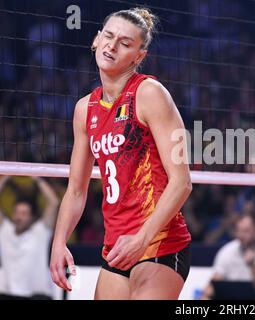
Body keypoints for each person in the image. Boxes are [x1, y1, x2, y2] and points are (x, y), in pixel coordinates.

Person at [50, 7, 192, 300]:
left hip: (160, 241)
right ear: (95, 40)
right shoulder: (83, 109)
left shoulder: (150, 93)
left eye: (125, 43)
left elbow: (182, 182)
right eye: (109, 36)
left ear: (139, 56)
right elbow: (76, 190)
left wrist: (142, 238)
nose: (112, 46)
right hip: (116, 246)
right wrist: (58, 242)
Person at [0, 175, 59, 299]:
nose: (19, 217)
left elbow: (53, 202)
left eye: (23, 213)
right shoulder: (5, 230)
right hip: (7, 294)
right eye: (16, 212)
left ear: (31, 217)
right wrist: (8, 174)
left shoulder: (40, 232)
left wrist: (36, 177)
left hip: (37, 295)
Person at [201, 214, 255, 300]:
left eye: (246, 231)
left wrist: (252, 265)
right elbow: (212, 286)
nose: (241, 235)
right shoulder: (227, 251)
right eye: (238, 231)